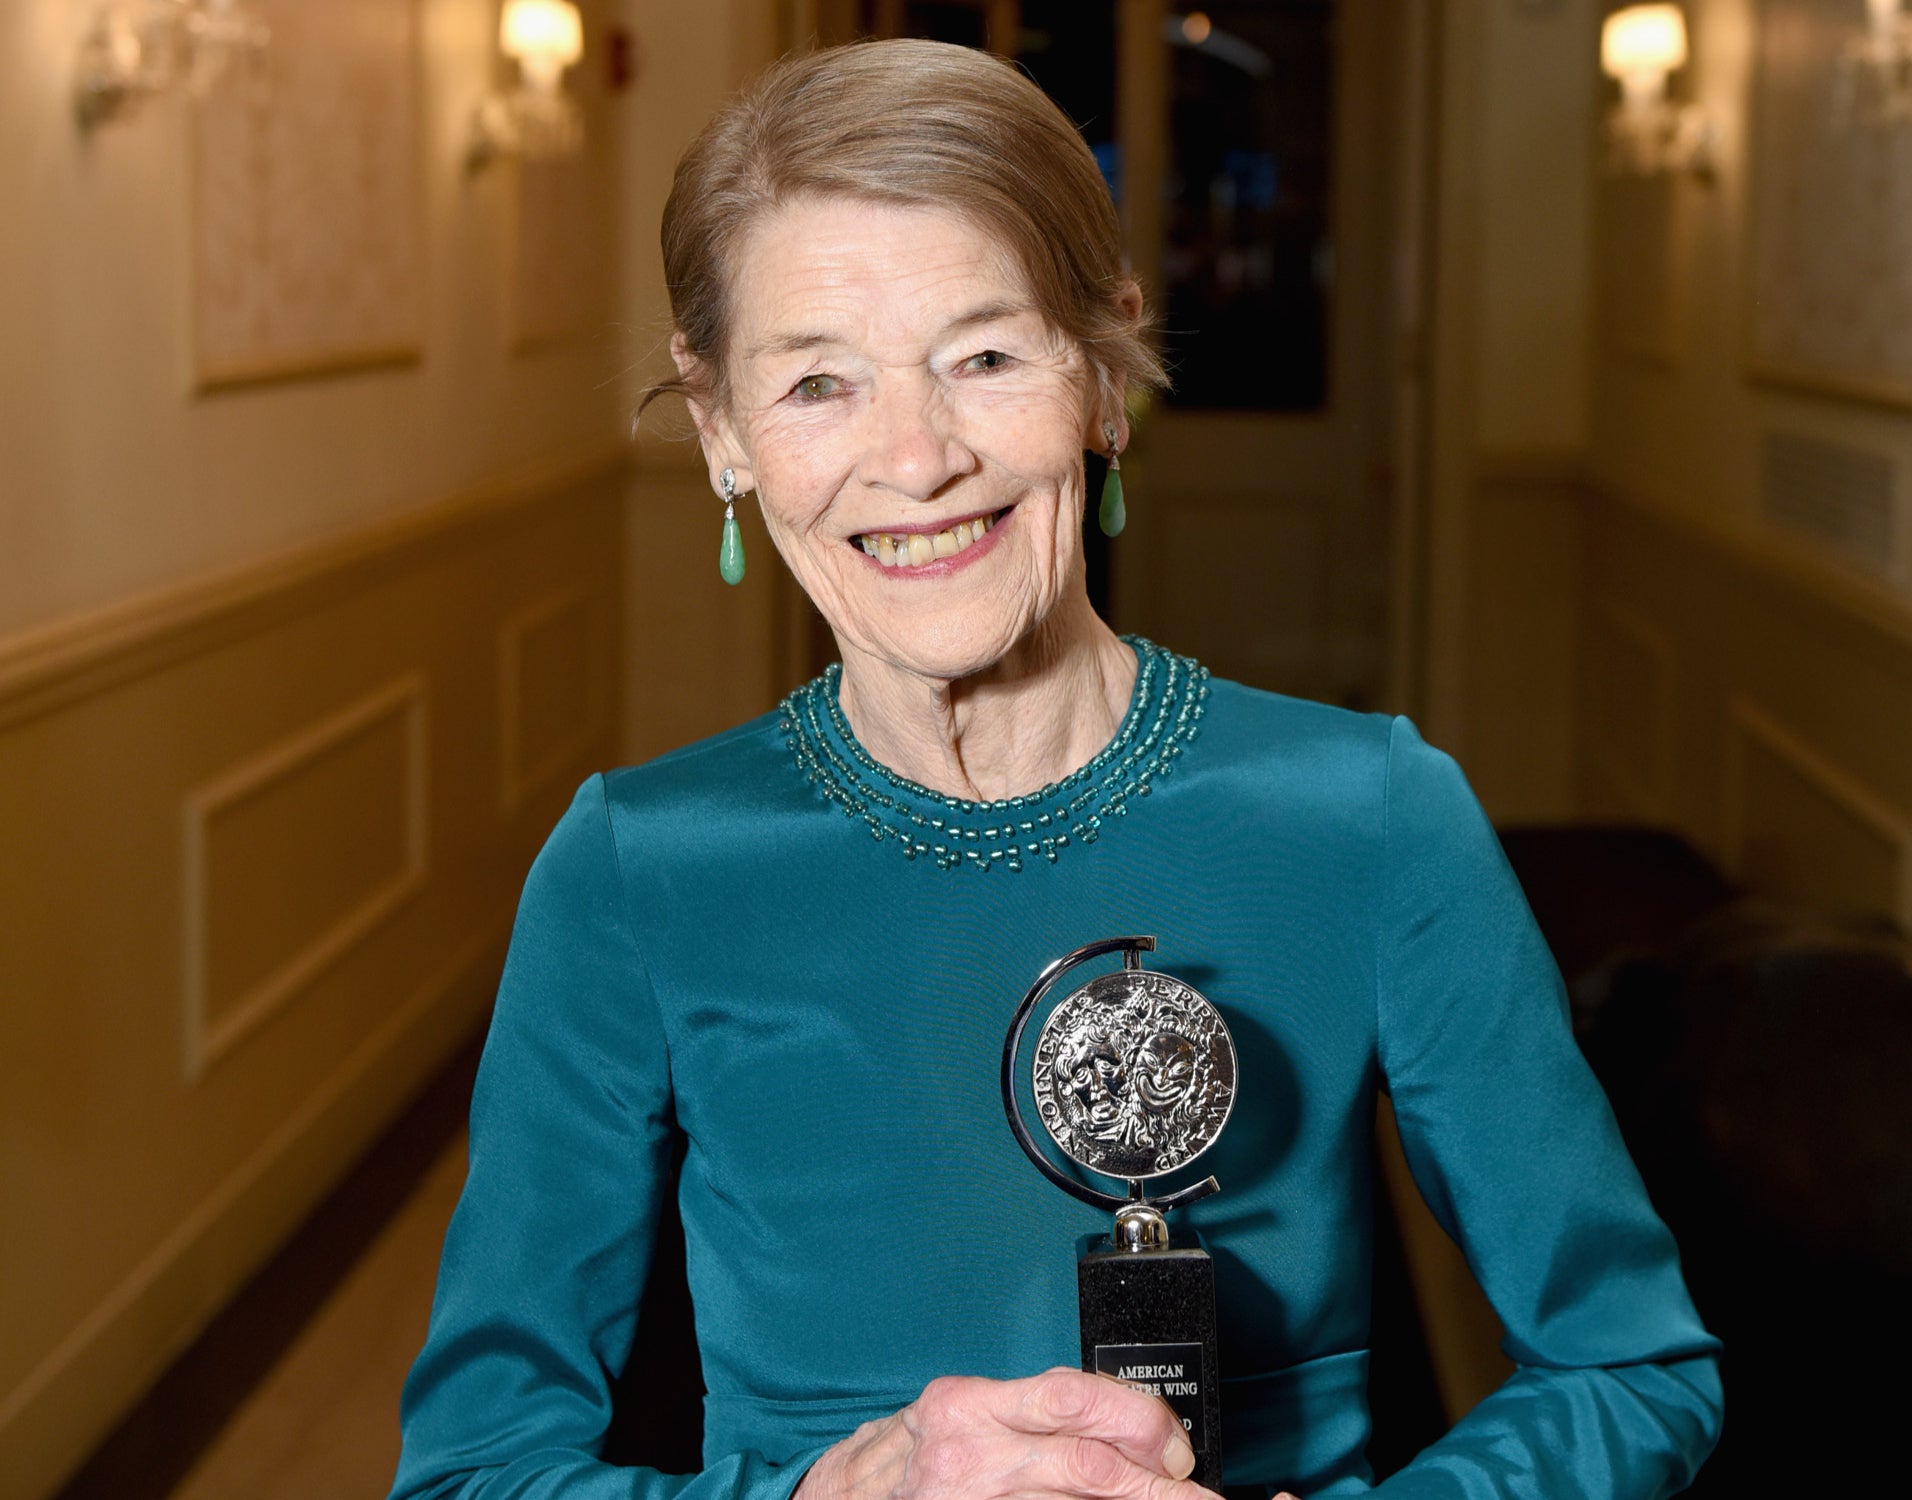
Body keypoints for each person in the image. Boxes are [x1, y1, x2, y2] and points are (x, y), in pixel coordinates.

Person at [390, 39, 1721, 1500]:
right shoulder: (635, 871)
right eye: (819, 383)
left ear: (1101, 374)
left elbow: (1630, 1366)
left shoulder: (1373, 817)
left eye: (985, 355)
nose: (916, 457)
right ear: (722, 433)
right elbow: (473, 1473)